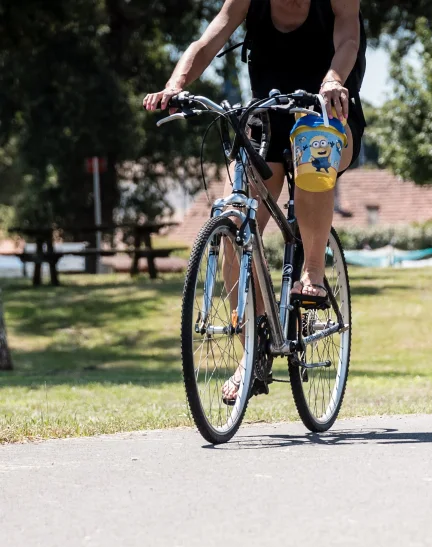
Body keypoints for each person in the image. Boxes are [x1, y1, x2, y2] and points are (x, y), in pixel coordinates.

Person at [144, 0, 366, 400]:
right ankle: (253, 354)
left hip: (327, 111)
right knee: (234, 221)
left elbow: (349, 35)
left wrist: (333, 79)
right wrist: (175, 86)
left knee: (315, 153)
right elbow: (209, 40)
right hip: (266, 115)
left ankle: (312, 272)